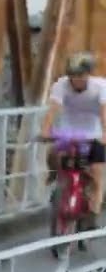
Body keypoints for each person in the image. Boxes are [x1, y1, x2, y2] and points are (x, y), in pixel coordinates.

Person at [42, 52, 106, 223]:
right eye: (72, 75)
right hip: (69, 131)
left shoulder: (100, 87)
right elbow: (52, 110)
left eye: (80, 75)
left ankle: (93, 215)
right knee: (53, 153)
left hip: (94, 133)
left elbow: (104, 113)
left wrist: (105, 134)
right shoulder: (61, 85)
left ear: (88, 74)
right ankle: (54, 177)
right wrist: (45, 131)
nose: (75, 79)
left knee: (97, 176)